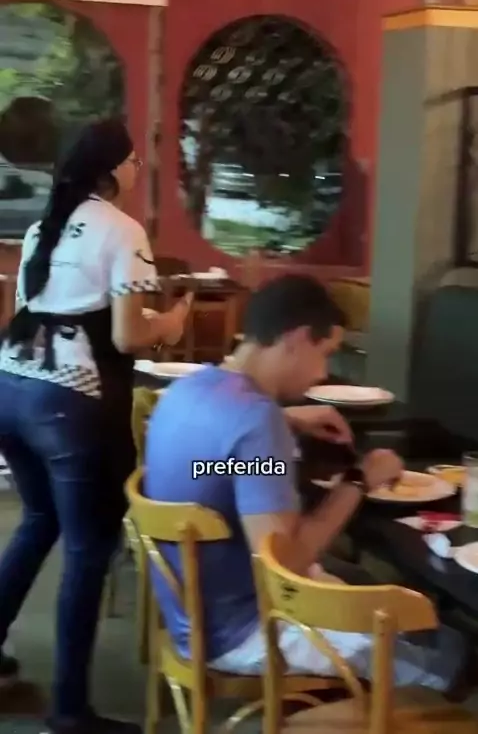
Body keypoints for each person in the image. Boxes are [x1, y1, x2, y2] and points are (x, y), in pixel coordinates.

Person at [145, 274, 469, 695]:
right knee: (452, 657)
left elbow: (208, 466)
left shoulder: (188, 390)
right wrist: (358, 479)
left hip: (191, 613)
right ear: (296, 339)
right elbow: (288, 566)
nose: (322, 373)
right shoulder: (256, 422)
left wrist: (286, 420)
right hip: (247, 629)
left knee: (361, 581)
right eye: (325, 354)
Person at [0, 118, 191, 734]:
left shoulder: (42, 227)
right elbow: (129, 336)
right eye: (134, 162)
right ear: (111, 170)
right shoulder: (122, 228)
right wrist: (171, 324)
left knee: (39, 520)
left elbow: (42, 309)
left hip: (11, 389)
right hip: (70, 401)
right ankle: (69, 710)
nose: (138, 172)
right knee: (87, 551)